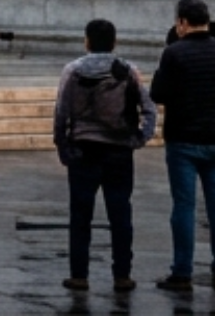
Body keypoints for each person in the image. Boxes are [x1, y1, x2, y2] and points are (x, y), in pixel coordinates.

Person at [150, 0, 215, 293]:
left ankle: (182, 272)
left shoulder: (174, 53)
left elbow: (158, 94)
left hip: (183, 138)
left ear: (182, 22)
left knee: (184, 205)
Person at [53, 17, 158, 293]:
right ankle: (122, 274)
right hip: (119, 151)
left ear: (87, 41)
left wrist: (63, 148)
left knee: (80, 215)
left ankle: (79, 275)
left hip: (83, 149)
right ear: (114, 42)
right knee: (120, 213)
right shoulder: (127, 70)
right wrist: (140, 138)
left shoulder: (72, 71)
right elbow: (149, 108)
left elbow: (61, 113)